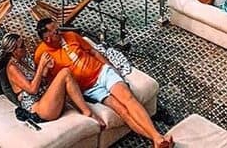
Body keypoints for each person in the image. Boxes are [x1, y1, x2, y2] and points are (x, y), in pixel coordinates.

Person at [35, 18, 172, 148]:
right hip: (91, 90)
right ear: (48, 38)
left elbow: (94, 52)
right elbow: (48, 85)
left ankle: (157, 137)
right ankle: (157, 140)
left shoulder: (71, 35)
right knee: (122, 111)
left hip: (102, 73)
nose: (60, 32)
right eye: (56, 32)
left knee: (128, 98)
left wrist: (110, 67)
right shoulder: (42, 55)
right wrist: (45, 69)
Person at [0, 32, 105, 128]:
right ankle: (88, 113)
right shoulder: (12, 68)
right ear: (14, 51)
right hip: (38, 109)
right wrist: (41, 66)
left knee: (67, 75)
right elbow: (32, 89)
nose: (26, 46)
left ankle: (86, 106)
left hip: (45, 99)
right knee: (65, 73)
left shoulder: (25, 59)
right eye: (22, 46)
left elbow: (40, 81)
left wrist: (45, 69)